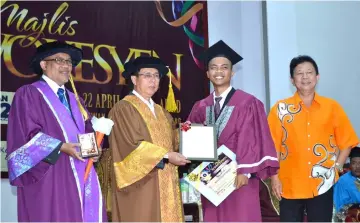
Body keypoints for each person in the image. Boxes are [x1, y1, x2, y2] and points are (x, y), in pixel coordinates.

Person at [6, 41, 106, 222]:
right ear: (44, 65)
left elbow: (87, 131)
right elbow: (25, 137)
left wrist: (93, 151)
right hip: (50, 176)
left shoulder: (76, 99)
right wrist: (61, 147)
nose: (67, 66)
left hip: (80, 174)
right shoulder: (29, 94)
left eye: (69, 62)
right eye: (60, 60)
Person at [186, 40, 279, 222]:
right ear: (207, 73)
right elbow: (191, 137)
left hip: (239, 176)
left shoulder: (248, 103)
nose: (218, 72)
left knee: (241, 217)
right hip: (211, 178)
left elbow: (254, 138)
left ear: (232, 72)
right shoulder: (201, 106)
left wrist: (244, 171)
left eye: (224, 67)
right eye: (213, 67)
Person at [267, 55, 359, 222]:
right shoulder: (280, 109)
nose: (305, 77)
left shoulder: (332, 107)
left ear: (317, 77)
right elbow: (272, 147)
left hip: (322, 184)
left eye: (309, 72)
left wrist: (337, 167)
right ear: (292, 80)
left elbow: (347, 142)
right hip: (289, 184)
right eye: (299, 73)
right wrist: (274, 177)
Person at [108, 56, 190, 222]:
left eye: (156, 76)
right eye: (147, 75)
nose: (153, 80)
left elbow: (169, 142)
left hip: (166, 180)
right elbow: (130, 146)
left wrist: (184, 134)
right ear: (134, 79)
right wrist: (166, 156)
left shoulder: (161, 111)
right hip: (141, 186)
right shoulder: (123, 109)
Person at [334, 146, 360, 214]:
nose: (357, 166)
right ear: (350, 164)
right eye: (354, 163)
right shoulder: (343, 181)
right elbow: (339, 207)